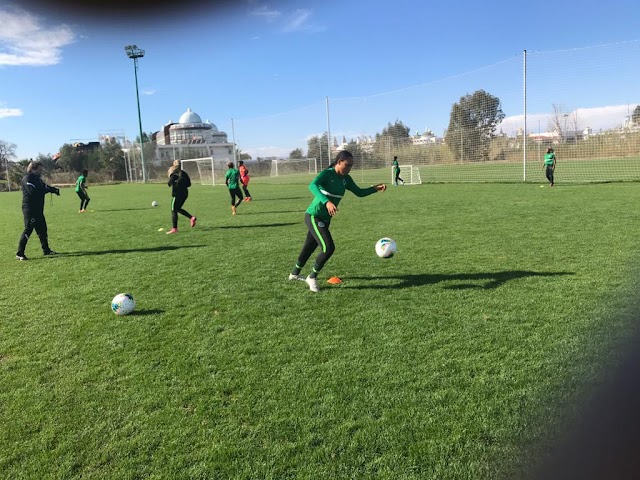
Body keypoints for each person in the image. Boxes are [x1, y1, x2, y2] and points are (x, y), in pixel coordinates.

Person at [288, 150, 386, 292]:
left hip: (325, 219)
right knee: (328, 247)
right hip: (314, 216)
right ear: (338, 162)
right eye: (346, 165)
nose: (349, 169)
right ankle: (312, 277)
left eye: (351, 166)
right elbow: (312, 186)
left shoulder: (346, 179)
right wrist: (326, 202)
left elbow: (359, 192)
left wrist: (374, 189)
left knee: (309, 246)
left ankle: (294, 274)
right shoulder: (327, 173)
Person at [16, 161, 60, 260]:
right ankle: (19, 253)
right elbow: (33, 192)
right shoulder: (27, 178)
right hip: (30, 209)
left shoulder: (37, 179)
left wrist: (54, 190)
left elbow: (45, 187)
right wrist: (46, 190)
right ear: (32, 169)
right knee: (28, 230)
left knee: (42, 230)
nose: (41, 172)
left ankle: (46, 250)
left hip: (38, 210)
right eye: (39, 170)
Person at [166, 159, 196, 234]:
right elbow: (189, 184)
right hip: (185, 193)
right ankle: (191, 218)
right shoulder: (184, 173)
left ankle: (174, 228)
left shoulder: (174, 174)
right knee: (178, 208)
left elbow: (169, 184)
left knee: (173, 210)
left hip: (177, 194)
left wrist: (172, 178)